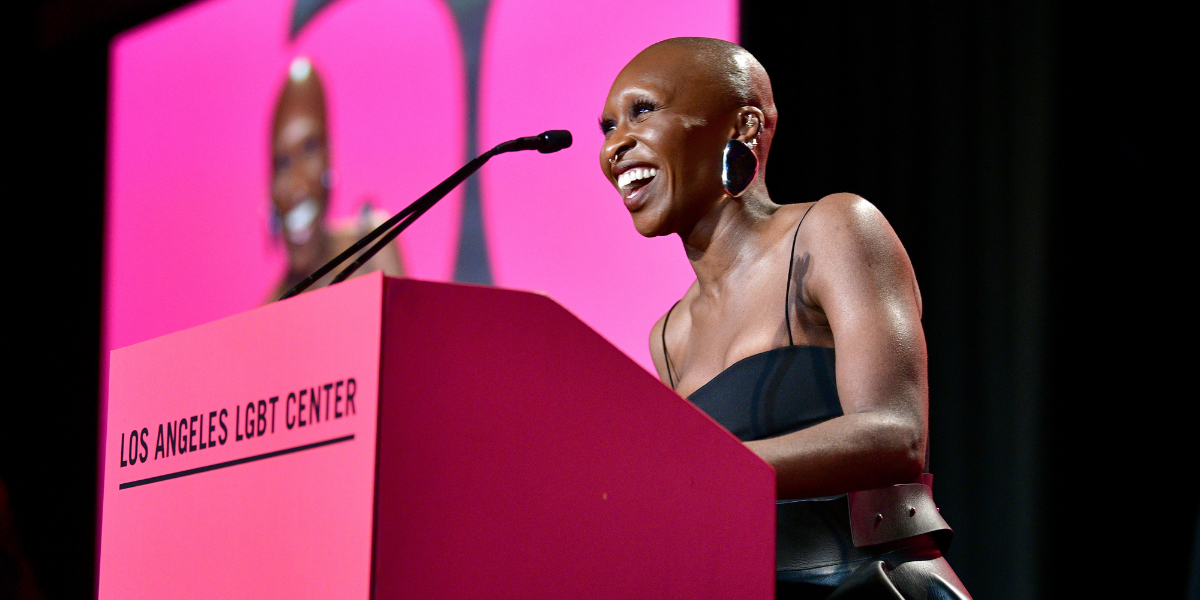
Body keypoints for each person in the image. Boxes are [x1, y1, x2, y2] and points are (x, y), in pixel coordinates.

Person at [599, 38, 971, 599]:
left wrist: (698, 471)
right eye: (607, 127)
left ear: (744, 126)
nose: (616, 145)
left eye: (644, 110)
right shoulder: (669, 336)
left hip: (874, 585)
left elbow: (896, 434)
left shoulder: (834, 228)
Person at [268, 56, 404, 302]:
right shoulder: (269, 309)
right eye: (283, 163)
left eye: (310, 148)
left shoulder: (372, 247)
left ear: (330, 156)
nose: (297, 185)